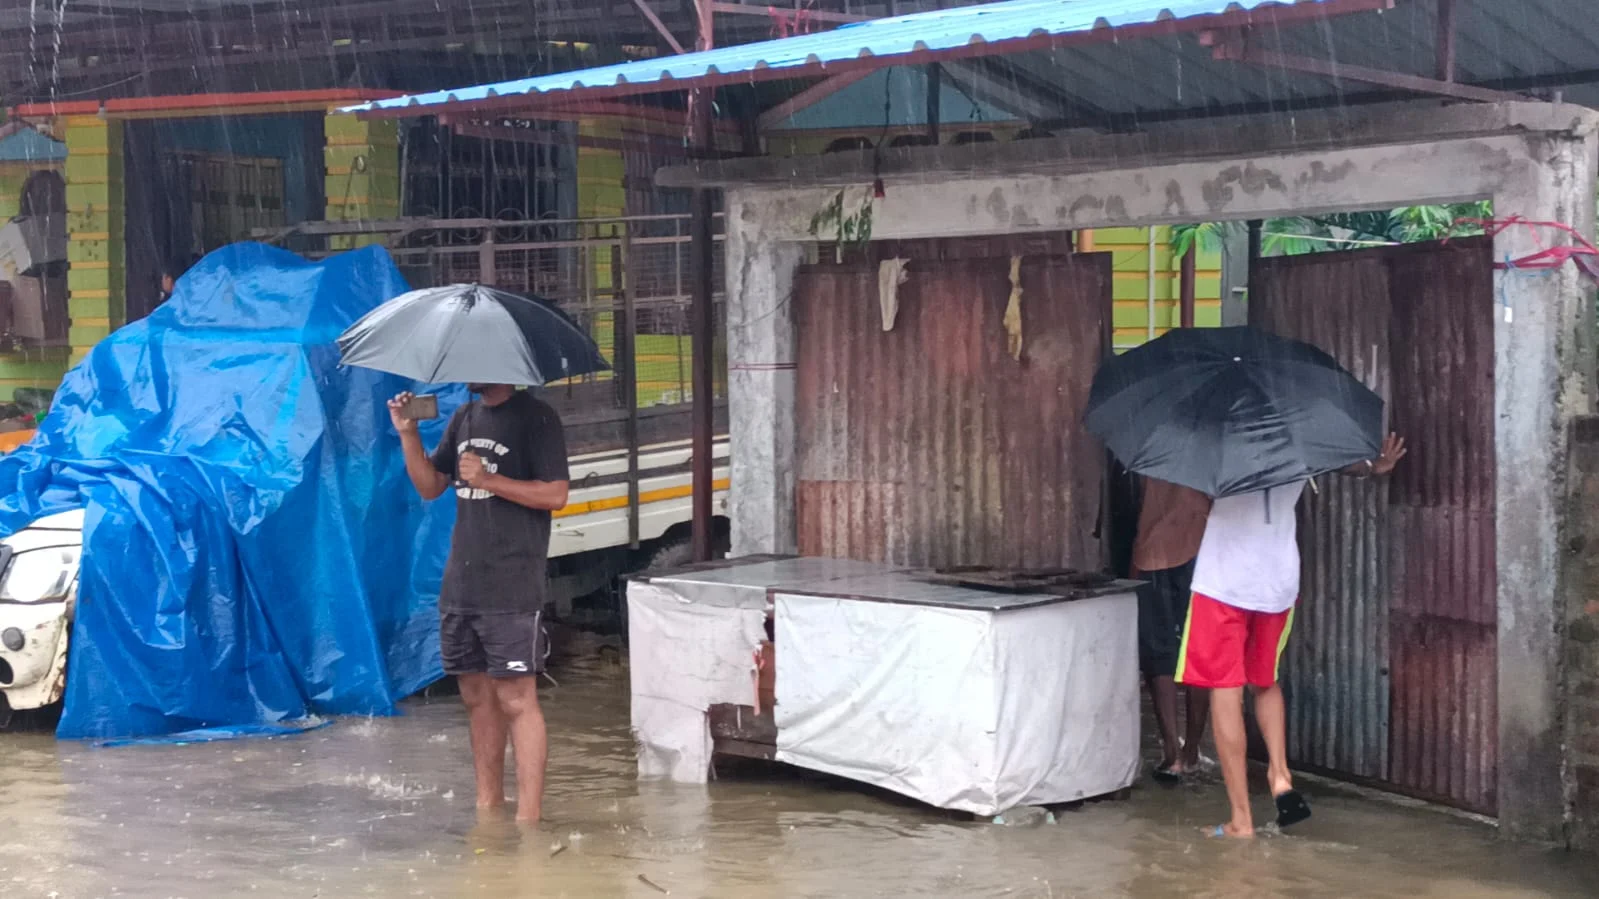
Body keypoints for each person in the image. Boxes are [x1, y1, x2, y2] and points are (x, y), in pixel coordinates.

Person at [1179, 433, 1407, 838]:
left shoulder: (1217, 436)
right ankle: (1281, 776)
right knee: (1264, 681)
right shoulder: (1298, 432)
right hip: (1278, 580)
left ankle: (1240, 820)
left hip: (1224, 581)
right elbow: (1340, 461)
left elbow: (1196, 503)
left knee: (1225, 689)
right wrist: (1376, 468)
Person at [390, 384, 570, 824]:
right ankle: (488, 807)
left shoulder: (538, 418)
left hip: (511, 582)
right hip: (462, 583)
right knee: (475, 697)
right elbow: (431, 486)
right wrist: (408, 435)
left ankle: (529, 821)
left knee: (516, 698)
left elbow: (556, 495)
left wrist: (490, 479)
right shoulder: (464, 417)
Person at [1130, 476, 1213, 783]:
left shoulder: (1150, 439)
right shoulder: (1213, 438)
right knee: (1198, 651)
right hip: (1201, 549)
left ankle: (1172, 755)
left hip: (1154, 549)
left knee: (1159, 653)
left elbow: (1140, 503)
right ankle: (1190, 753)